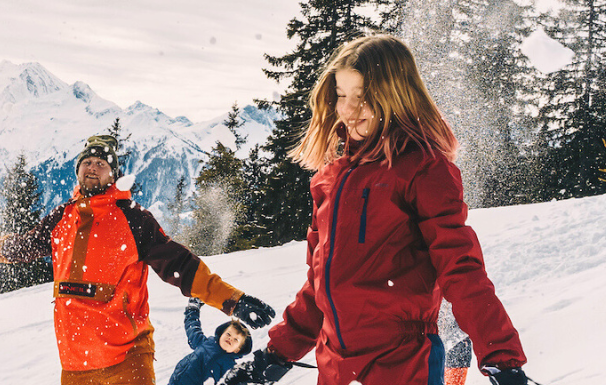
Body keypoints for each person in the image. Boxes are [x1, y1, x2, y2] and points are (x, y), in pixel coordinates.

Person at [222, 35, 532, 385]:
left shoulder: (422, 169)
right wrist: (273, 357)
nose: (349, 110)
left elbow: (461, 269)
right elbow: (319, 289)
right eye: (341, 95)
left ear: (394, 97)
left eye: (363, 97)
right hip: (336, 368)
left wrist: (501, 360)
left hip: (402, 364)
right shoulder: (328, 181)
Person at [0, 134, 278, 385]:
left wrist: (234, 301)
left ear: (113, 174)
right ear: (78, 169)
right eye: (87, 162)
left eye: (101, 163)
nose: (92, 167)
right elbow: (21, 246)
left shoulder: (133, 219)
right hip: (75, 366)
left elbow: (182, 267)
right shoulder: (62, 217)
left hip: (126, 361)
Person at [168, 298, 252, 385]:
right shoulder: (205, 343)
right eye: (228, 334)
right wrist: (193, 309)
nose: (230, 338)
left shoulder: (230, 368)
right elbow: (192, 329)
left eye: (235, 340)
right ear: (221, 334)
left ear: (237, 350)